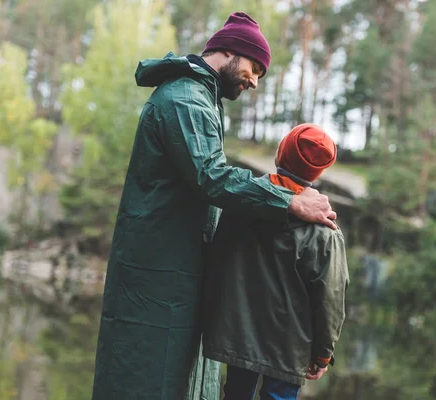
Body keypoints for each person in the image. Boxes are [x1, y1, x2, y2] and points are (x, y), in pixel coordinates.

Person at [91, 12, 337, 400]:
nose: (254, 81)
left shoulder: (201, 96)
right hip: (156, 276)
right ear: (228, 52)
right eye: (254, 68)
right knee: (145, 380)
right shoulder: (185, 99)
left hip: (174, 272)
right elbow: (210, 175)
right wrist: (289, 200)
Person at [202, 124, 350, 400]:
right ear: (319, 172)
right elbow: (331, 295)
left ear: (280, 155)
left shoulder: (241, 201)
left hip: (237, 333)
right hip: (289, 345)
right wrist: (323, 353)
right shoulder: (324, 229)